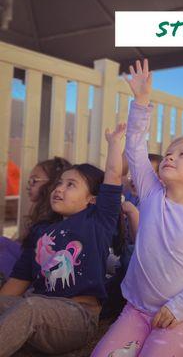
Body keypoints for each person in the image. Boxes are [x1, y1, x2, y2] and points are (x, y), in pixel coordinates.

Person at [92, 59, 183, 357]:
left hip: (182, 315)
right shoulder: (152, 192)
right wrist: (141, 102)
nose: (169, 156)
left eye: (182, 154)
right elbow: (136, 147)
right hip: (136, 309)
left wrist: (179, 307)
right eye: (169, 152)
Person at [0, 126, 124, 356]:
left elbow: (114, 175)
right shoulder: (40, 232)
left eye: (71, 185)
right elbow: (18, 282)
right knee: (23, 306)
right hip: (37, 308)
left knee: (31, 308)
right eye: (59, 183)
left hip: (77, 315)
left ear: (92, 199)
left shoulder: (97, 221)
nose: (59, 189)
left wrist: (115, 143)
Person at [0, 157, 71, 286]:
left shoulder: (53, 217)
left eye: (34, 181)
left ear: (53, 183)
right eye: (29, 181)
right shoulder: (38, 211)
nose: (28, 186)